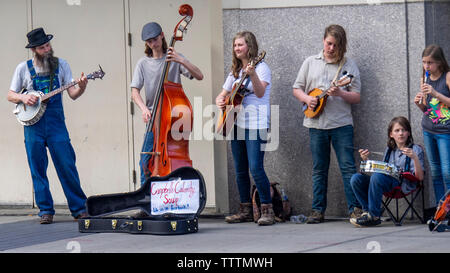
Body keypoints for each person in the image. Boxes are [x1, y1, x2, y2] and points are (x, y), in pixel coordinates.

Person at [7, 28, 89, 224]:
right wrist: (23, 96)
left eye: (48, 45)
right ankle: (45, 210)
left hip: (56, 124)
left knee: (67, 165)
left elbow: (73, 94)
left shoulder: (62, 65)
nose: (48, 49)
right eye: (43, 47)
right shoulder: (23, 69)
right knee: (37, 168)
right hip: (33, 126)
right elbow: (10, 95)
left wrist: (83, 85)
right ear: (34, 49)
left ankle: (79, 208)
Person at [130, 22, 203, 215]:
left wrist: (181, 60)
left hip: (173, 118)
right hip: (154, 117)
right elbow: (134, 91)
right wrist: (144, 108)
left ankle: (174, 203)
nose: (153, 44)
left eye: (155, 39)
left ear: (162, 36)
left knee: (172, 160)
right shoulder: (143, 63)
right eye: (149, 41)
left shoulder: (174, 59)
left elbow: (199, 75)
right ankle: (146, 204)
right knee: (145, 161)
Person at [292, 24, 363, 223]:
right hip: (315, 124)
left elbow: (356, 96)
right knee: (319, 168)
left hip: (341, 124)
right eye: (328, 43)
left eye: (335, 45)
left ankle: (355, 209)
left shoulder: (349, 66)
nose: (331, 48)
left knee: (348, 167)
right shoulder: (310, 62)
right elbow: (296, 89)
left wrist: (340, 93)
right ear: (323, 40)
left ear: (342, 46)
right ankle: (317, 210)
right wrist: (307, 99)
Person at [216, 31, 274, 226]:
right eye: (235, 46)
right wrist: (221, 100)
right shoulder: (234, 72)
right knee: (240, 170)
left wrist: (253, 75)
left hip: (256, 124)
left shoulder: (262, 68)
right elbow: (223, 95)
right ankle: (245, 210)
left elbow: (259, 92)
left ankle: (267, 208)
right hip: (236, 123)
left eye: (240, 45)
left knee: (256, 167)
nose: (237, 49)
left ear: (250, 46)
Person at [350, 116, 425, 227]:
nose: (401, 133)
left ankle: (374, 216)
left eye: (404, 130)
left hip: (403, 184)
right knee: (356, 178)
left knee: (377, 177)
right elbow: (382, 169)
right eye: (397, 130)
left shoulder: (415, 150)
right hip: (386, 182)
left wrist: (414, 158)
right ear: (391, 134)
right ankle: (367, 212)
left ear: (408, 133)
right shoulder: (389, 150)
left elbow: (420, 178)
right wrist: (366, 160)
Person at [414, 44, 450, 206]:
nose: (426, 66)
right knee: (435, 172)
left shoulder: (447, 77)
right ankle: (440, 209)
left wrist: (435, 93)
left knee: (447, 172)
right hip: (429, 129)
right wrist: (419, 104)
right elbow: (428, 109)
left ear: (439, 63)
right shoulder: (425, 78)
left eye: (430, 63)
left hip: (445, 131)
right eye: (424, 62)